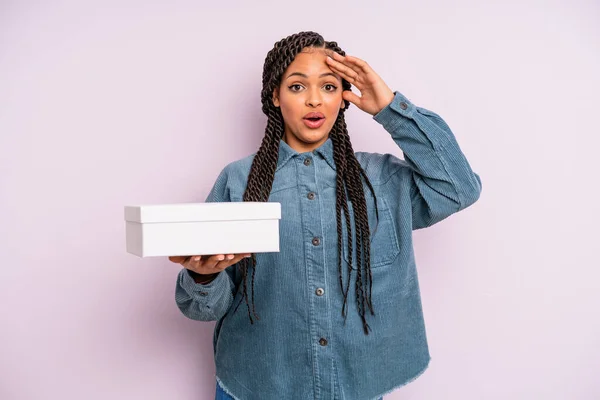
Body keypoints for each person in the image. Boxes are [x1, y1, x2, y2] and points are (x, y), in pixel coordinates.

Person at [169, 31, 482, 400]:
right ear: (275, 96)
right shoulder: (238, 181)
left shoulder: (384, 179)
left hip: (358, 384)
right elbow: (206, 307)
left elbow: (458, 188)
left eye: (330, 86)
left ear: (344, 98)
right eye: (298, 86)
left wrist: (391, 108)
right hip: (257, 383)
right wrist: (203, 278)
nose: (314, 99)